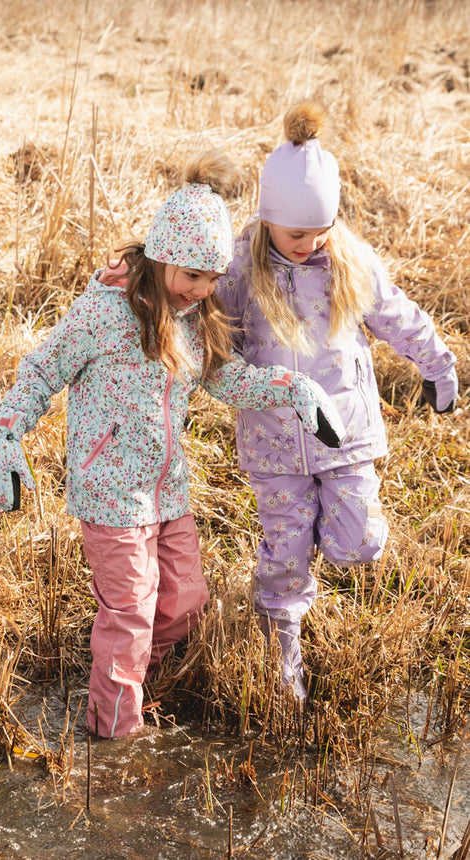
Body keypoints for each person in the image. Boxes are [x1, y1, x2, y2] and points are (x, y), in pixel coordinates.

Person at [0, 152, 346, 738]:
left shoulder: (195, 319)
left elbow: (225, 378)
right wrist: (5, 435)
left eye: (210, 279)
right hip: (111, 493)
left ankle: (134, 689)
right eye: (191, 276)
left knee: (181, 605)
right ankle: (115, 733)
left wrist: (294, 388)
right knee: (129, 612)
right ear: (159, 259)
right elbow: (43, 369)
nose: (200, 290)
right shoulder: (103, 313)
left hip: (167, 491)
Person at [217, 102, 459, 699]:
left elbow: (397, 314)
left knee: (359, 544)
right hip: (275, 445)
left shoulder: (350, 262)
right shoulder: (243, 270)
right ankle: (284, 651)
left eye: (317, 230)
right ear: (268, 217)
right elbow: (205, 326)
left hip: (345, 435)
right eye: (295, 232)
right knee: (285, 555)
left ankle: (330, 530)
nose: (308, 243)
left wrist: (438, 364)